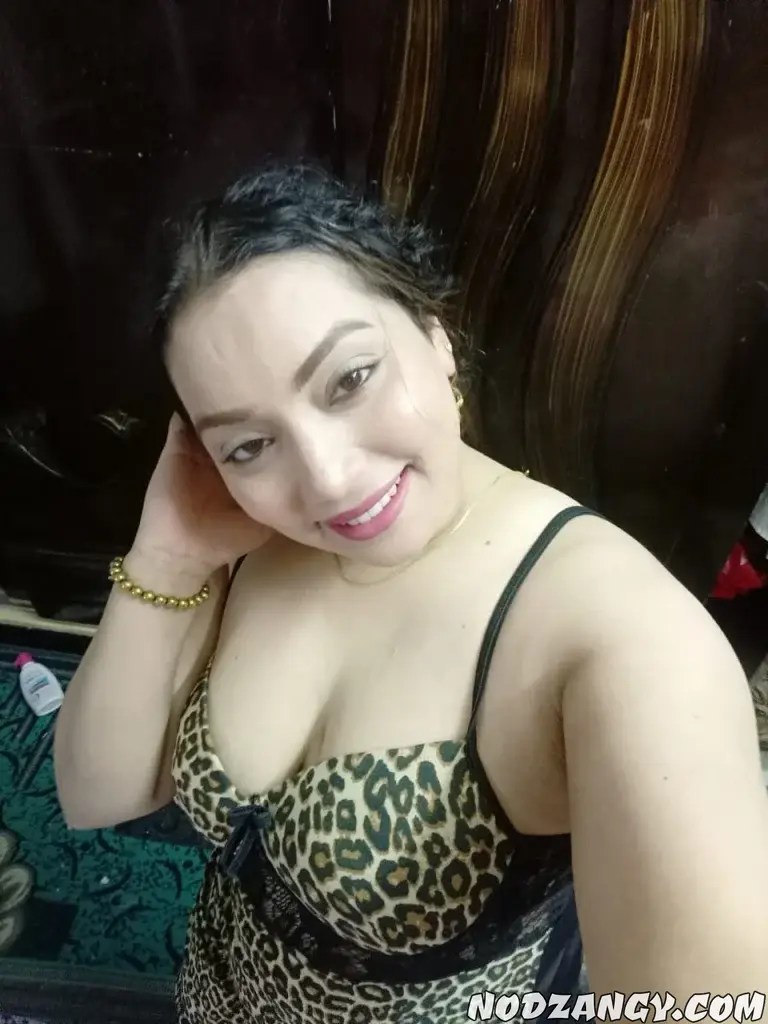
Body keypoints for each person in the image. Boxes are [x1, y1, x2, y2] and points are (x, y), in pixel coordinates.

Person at [54, 165, 768, 1024]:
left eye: (349, 379)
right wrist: (166, 557)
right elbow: (96, 794)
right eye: (248, 443)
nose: (326, 479)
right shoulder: (248, 533)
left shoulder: (620, 637)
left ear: (436, 336)